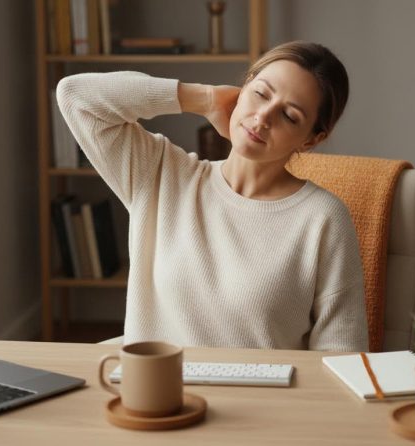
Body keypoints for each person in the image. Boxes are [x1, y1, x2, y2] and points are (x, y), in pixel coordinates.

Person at [57, 41, 368, 351]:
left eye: (289, 115)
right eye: (259, 93)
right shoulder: (160, 175)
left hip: (263, 398)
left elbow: (342, 354)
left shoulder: (324, 218)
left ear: (312, 139)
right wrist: (203, 99)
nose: (262, 118)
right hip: (155, 394)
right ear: (242, 88)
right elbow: (76, 96)